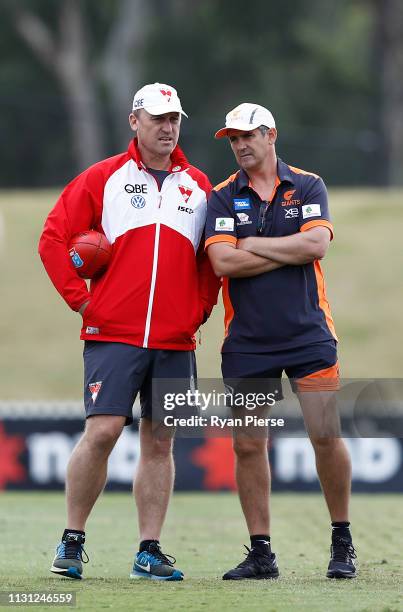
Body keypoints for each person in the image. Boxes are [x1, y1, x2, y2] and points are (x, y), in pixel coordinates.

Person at [39, 82, 220, 581]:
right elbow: (53, 239)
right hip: (112, 333)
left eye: (175, 119)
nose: (168, 127)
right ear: (134, 120)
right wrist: (82, 301)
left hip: (175, 340)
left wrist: (199, 310)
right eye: (158, 118)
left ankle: (149, 549)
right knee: (101, 432)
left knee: (161, 441)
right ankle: (72, 541)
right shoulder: (103, 178)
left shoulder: (199, 186)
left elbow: (211, 262)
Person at [205, 103, 356, 580]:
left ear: (271, 135)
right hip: (248, 340)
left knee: (325, 435)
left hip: (309, 333)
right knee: (248, 445)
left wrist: (252, 244)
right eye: (232, 138)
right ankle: (261, 554)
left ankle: (342, 541)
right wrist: (284, 249)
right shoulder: (223, 197)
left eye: (248, 135)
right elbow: (223, 264)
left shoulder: (308, 184)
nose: (240, 145)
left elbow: (317, 246)